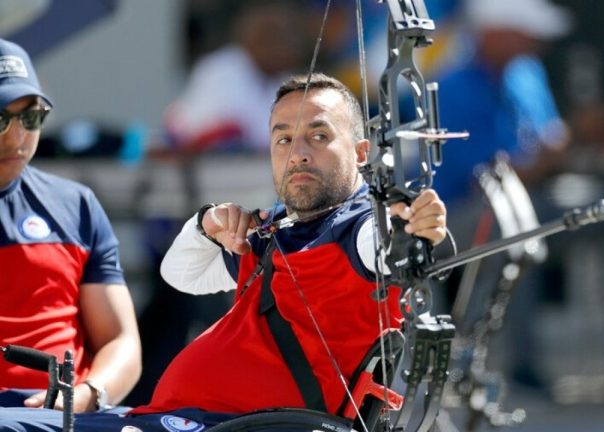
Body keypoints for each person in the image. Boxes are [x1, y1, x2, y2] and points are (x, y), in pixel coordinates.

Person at [0, 73, 448, 431]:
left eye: (319, 136)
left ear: (362, 152)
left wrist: (414, 224)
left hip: (244, 424)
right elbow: (183, 276)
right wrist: (205, 224)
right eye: (283, 139)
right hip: (177, 417)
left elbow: (390, 243)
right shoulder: (278, 228)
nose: (298, 154)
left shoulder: (358, 230)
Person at [433, 0, 572, 389]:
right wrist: (547, 159)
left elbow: (550, 138)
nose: (535, 44)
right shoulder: (450, 86)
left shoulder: (526, 73)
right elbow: (479, 177)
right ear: (493, 33)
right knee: (512, 234)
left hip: (525, 199)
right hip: (451, 215)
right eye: (525, 34)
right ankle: (479, 360)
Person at [0, 38, 142, 412]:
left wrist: (88, 396)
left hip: (67, 418)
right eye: (0, 119)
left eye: (31, 117)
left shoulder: (76, 205)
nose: (16, 137)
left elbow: (121, 340)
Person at [161, 0, 309, 153]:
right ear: (259, 40)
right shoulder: (222, 69)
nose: (293, 48)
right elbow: (222, 134)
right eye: (280, 39)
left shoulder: (280, 80)